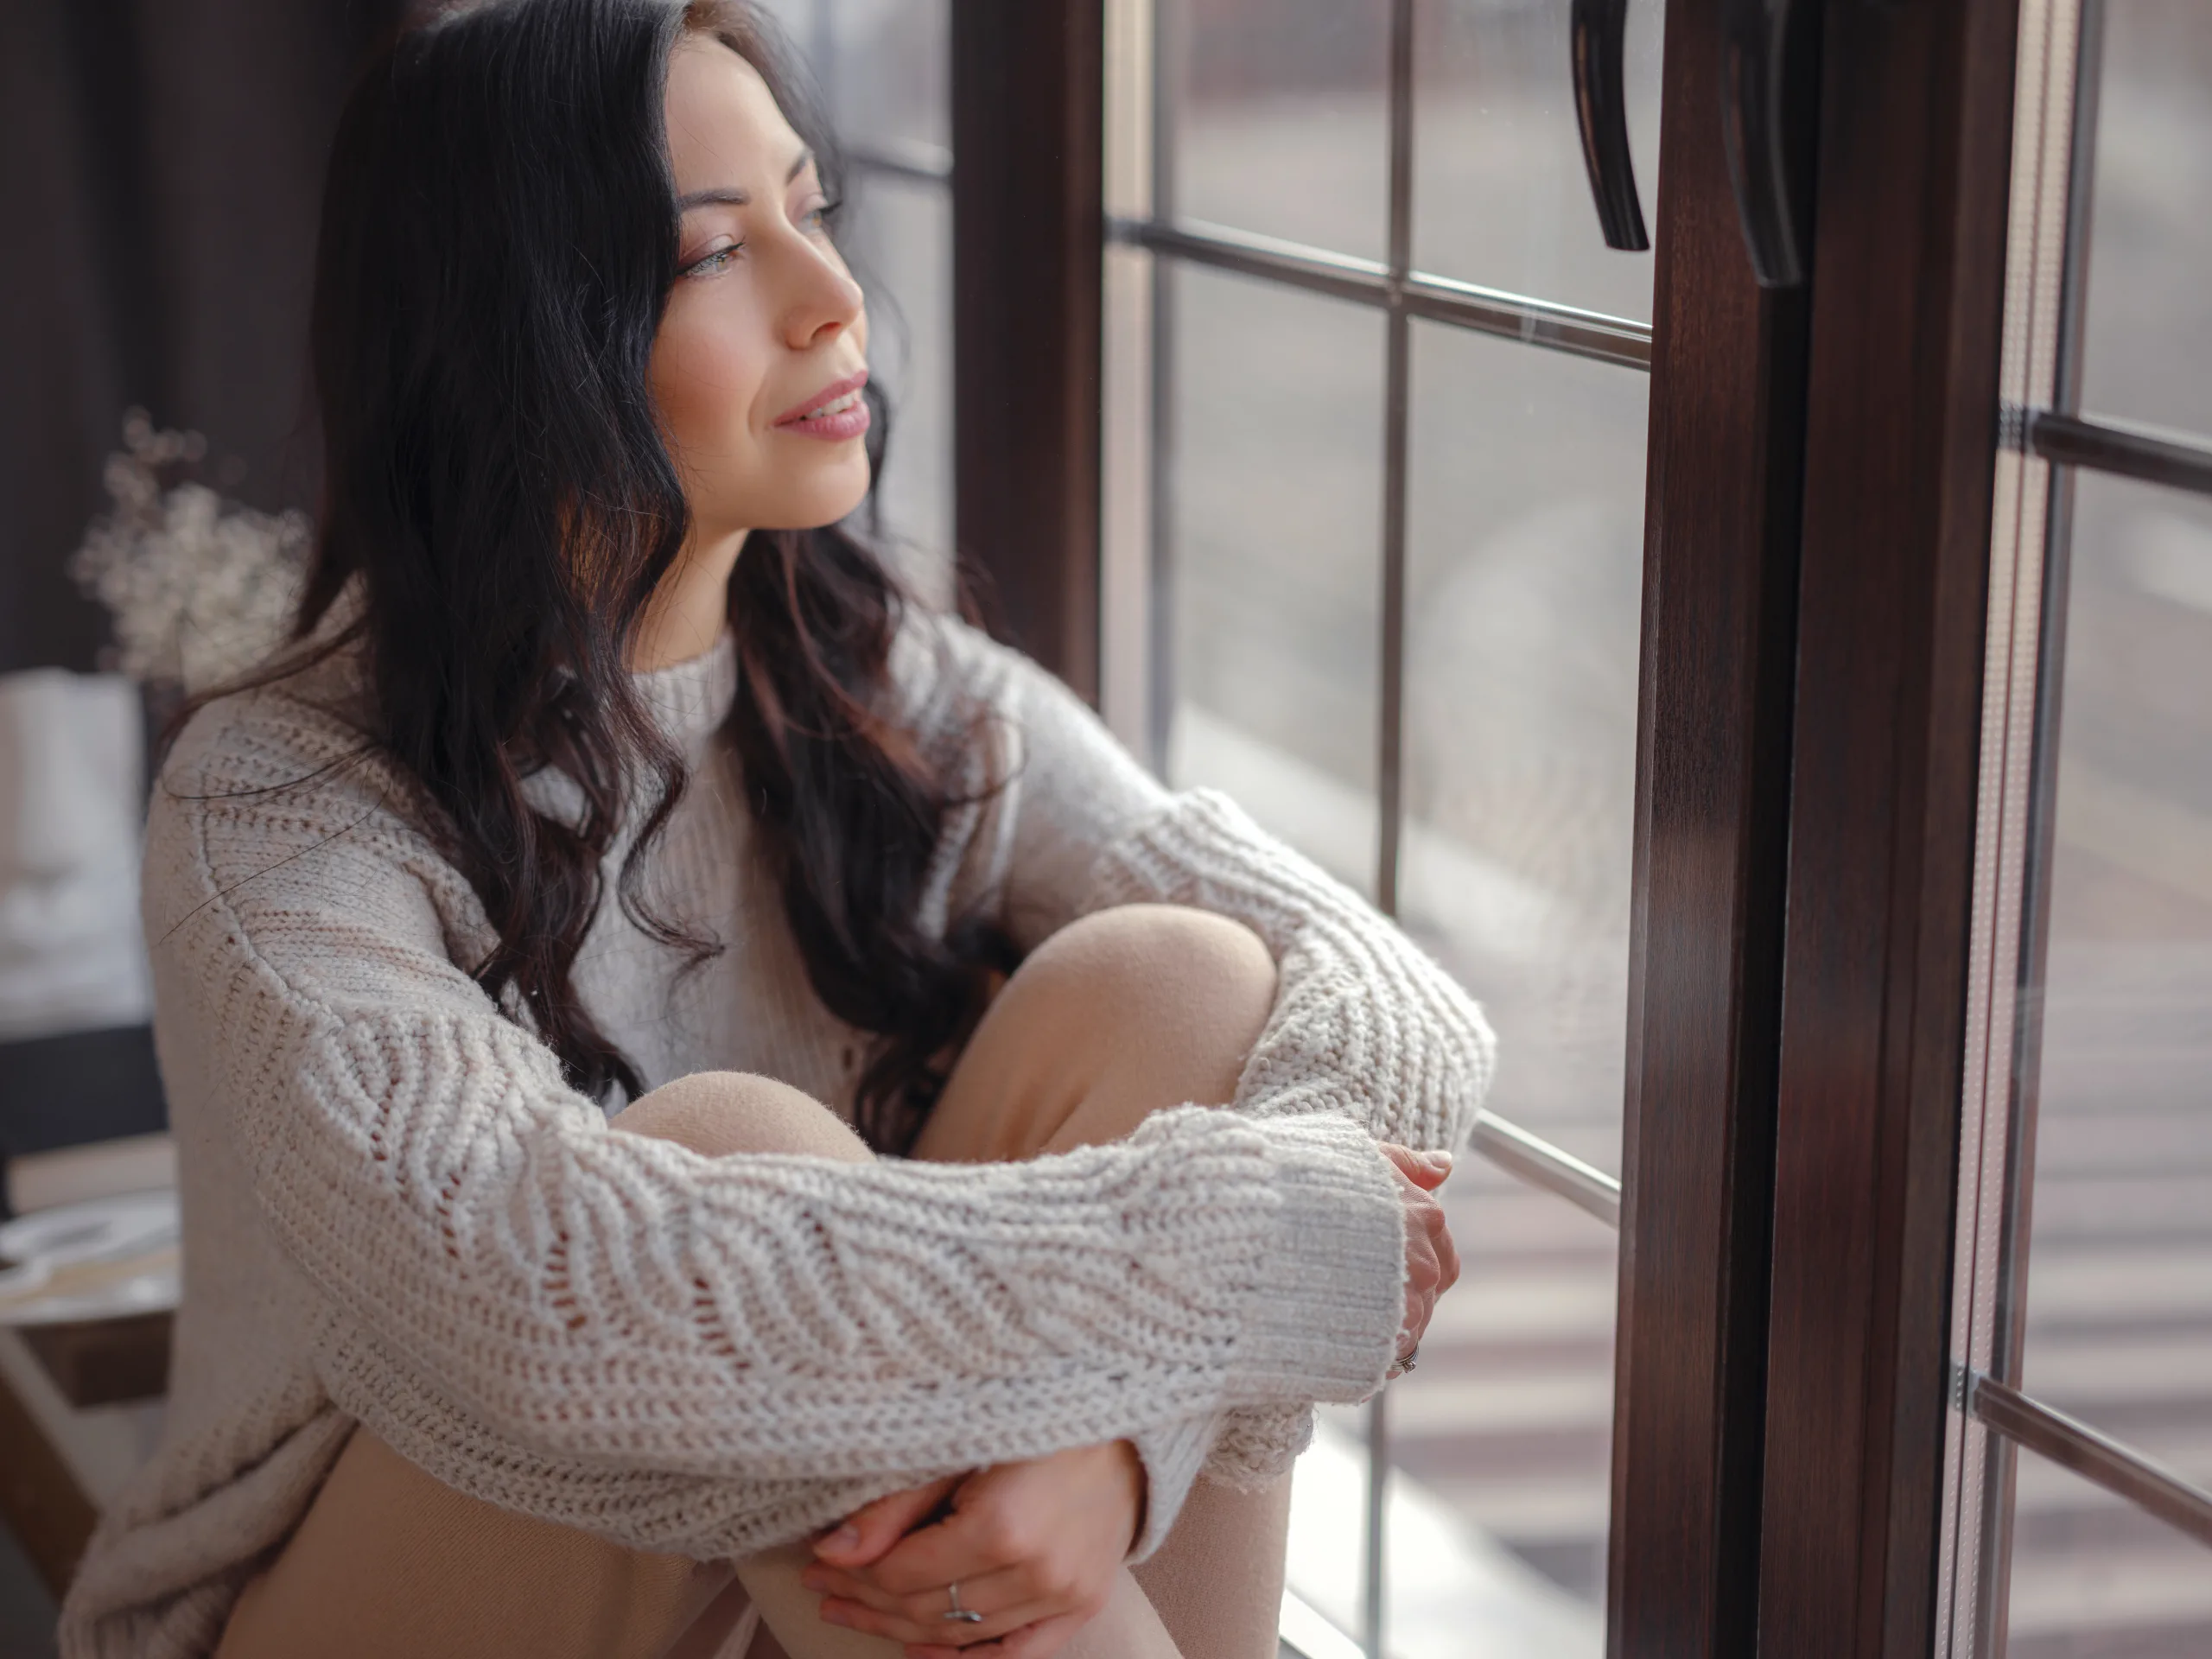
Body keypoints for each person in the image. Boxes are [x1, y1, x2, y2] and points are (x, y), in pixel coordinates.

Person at [58, 3, 1492, 1656]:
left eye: (812, 213)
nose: (834, 303)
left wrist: (1118, 1443)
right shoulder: (279, 805)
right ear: (520, 328)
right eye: (715, 253)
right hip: (372, 1591)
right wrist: (1224, 1254)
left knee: (1182, 981)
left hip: (813, 1567)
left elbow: (1383, 994)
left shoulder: (890, 684)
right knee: (730, 1159)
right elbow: (550, 1303)